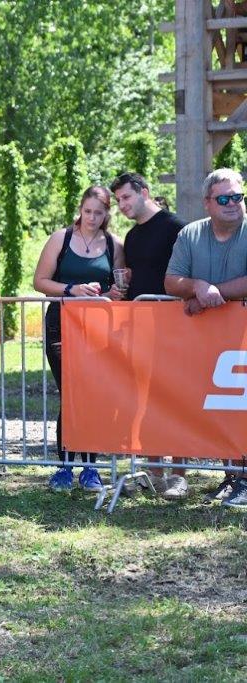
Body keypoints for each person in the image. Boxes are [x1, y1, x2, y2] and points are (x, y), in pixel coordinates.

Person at [33, 185, 125, 493]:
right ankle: (65, 466)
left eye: (98, 213)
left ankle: (90, 468)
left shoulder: (114, 244)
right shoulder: (61, 239)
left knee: (92, 395)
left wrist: (113, 294)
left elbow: (117, 286)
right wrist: (71, 289)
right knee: (71, 394)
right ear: (80, 209)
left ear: (107, 214)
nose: (92, 218)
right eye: (87, 211)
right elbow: (40, 281)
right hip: (61, 325)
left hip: (98, 328)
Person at [164, 168, 247, 507]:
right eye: (224, 198)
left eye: (238, 197)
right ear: (207, 203)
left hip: (242, 338)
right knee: (223, 407)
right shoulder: (190, 234)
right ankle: (233, 477)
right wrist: (197, 286)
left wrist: (211, 295)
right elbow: (171, 281)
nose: (233, 203)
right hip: (207, 343)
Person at [110, 172, 188, 499]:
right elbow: (139, 276)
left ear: (144, 192)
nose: (122, 205)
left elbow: (186, 274)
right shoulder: (131, 236)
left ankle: (179, 475)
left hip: (175, 328)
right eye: (118, 200)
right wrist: (123, 288)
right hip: (140, 327)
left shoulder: (177, 228)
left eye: (126, 197)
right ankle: (154, 471)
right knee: (148, 400)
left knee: (177, 400)